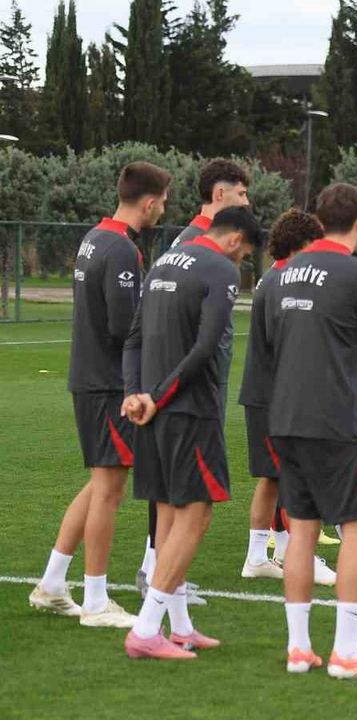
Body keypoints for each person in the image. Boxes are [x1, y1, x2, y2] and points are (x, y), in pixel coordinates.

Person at [262, 183, 357, 678]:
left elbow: (268, 347)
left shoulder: (281, 274)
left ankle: (299, 648)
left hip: (286, 418)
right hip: (338, 420)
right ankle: (346, 652)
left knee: (301, 530)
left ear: (320, 222)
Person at [30, 161, 170, 628]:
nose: (163, 210)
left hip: (89, 377)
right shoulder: (122, 248)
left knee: (99, 483)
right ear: (148, 202)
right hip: (109, 383)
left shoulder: (94, 237)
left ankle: (52, 583)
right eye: (162, 202)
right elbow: (122, 326)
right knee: (109, 488)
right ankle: (95, 601)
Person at [122, 206, 260, 659]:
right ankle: (146, 629)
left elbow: (133, 339)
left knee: (167, 513)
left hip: (151, 410)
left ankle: (179, 627)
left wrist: (136, 394)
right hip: (189, 410)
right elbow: (206, 347)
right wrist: (159, 396)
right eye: (245, 255)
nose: (241, 263)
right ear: (235, 240)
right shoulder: (220, 268)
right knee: (195, 514)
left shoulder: (163, 260)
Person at [141, 158, 251, 596]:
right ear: (220, 195)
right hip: (187, 380)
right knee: (181, 488)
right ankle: (155, 568)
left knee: (181, 484)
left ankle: (162, 576)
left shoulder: (204, 242)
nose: (247, 202)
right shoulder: (195, 243)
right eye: (241, 193)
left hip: (197, 374)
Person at [238, 210, 337, 585]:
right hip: (277, 397)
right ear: (301, 244)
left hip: (270, 395)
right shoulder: (283, 282)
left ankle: (265, 556)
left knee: (275, 478)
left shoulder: (276, 278)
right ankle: (298, 556)